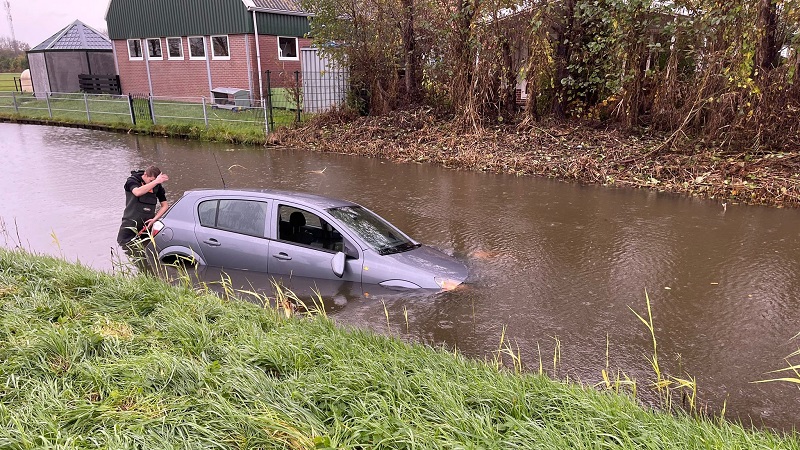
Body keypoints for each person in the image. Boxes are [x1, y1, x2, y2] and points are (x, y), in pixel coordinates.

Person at [116, 165, 169, 248]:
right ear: (145, 174)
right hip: (130, 223)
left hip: (147, 225)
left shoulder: (157, 187)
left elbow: (165, 205)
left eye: (155, 182)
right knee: (123, 247)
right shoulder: (132, 181)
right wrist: (155, 182)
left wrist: (155, 219)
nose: (153, 184)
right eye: (151, 180)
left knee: (145, 249)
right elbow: (137, 192)